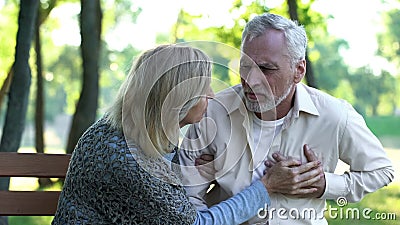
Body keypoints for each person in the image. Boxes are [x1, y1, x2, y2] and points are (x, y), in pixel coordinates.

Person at [52, 44, 322, 225]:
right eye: (204, 87)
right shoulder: (126, 159)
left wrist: (189, 168)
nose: (212, 95)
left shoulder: (119, 132)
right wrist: (266, 186)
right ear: (181, 99)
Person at [179, 13, 394, 225]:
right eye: (245, 66)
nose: (251, 80)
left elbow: (381, 171)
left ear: (298, 71)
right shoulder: (213, 112)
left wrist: (324, 185)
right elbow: (187, 198)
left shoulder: (335, 116)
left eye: (266, 69)